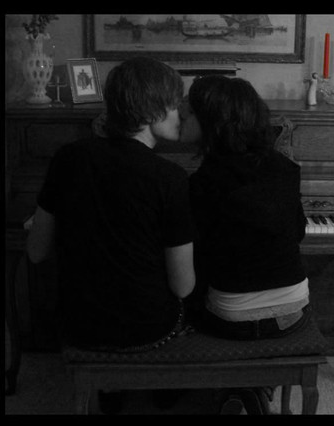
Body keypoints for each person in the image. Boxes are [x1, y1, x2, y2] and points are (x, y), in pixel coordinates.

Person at [27, 56, 196, 354]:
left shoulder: (68, 157)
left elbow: (36, 251)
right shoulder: (170, 177)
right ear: (151, 111)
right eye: (173, 105)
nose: (179, 115)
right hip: (147, 328)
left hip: (77, 327)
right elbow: (182, 287)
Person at [180, 75, 311, 341]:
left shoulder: (204, 181)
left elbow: (198, 257)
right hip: (294, 310)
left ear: (211, 121)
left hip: (232, 318)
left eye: (190, 111)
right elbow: (298, 232)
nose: (181, 114)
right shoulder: (285, 167)